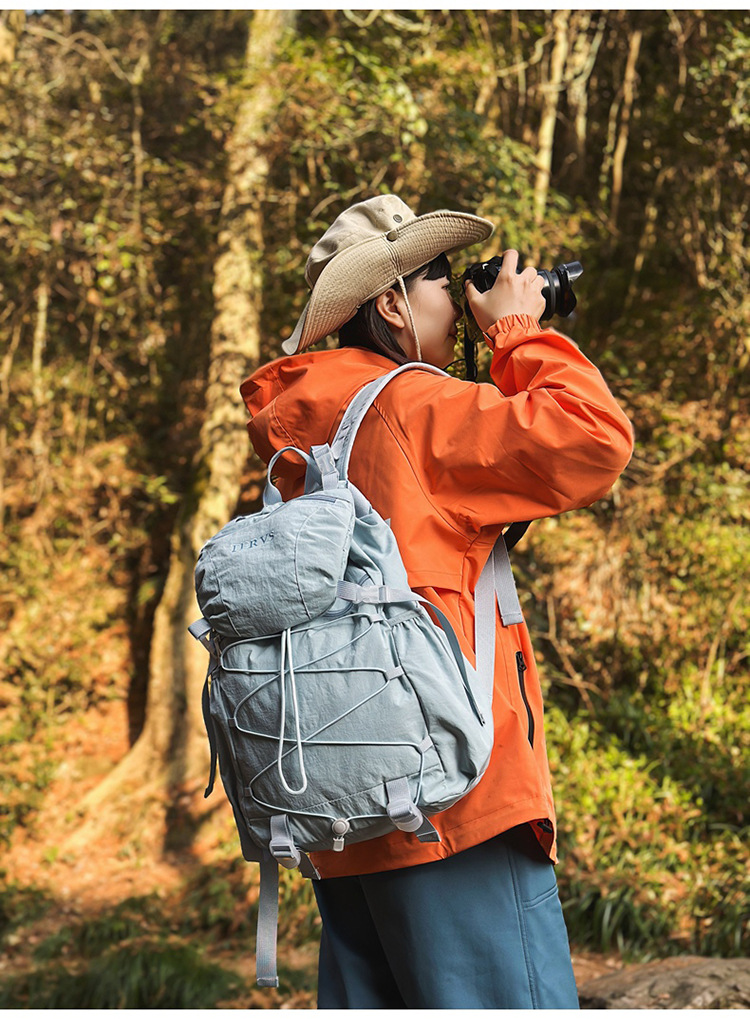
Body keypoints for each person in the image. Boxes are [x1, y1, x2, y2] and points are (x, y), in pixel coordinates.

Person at [240, 194, 634, 1009]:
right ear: (390, 302)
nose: (458, 302)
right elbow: (594, 438)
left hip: (343, 813)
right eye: (443, 282)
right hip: (453, 808)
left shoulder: (304, 440)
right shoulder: (412, 409)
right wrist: (517, 331)